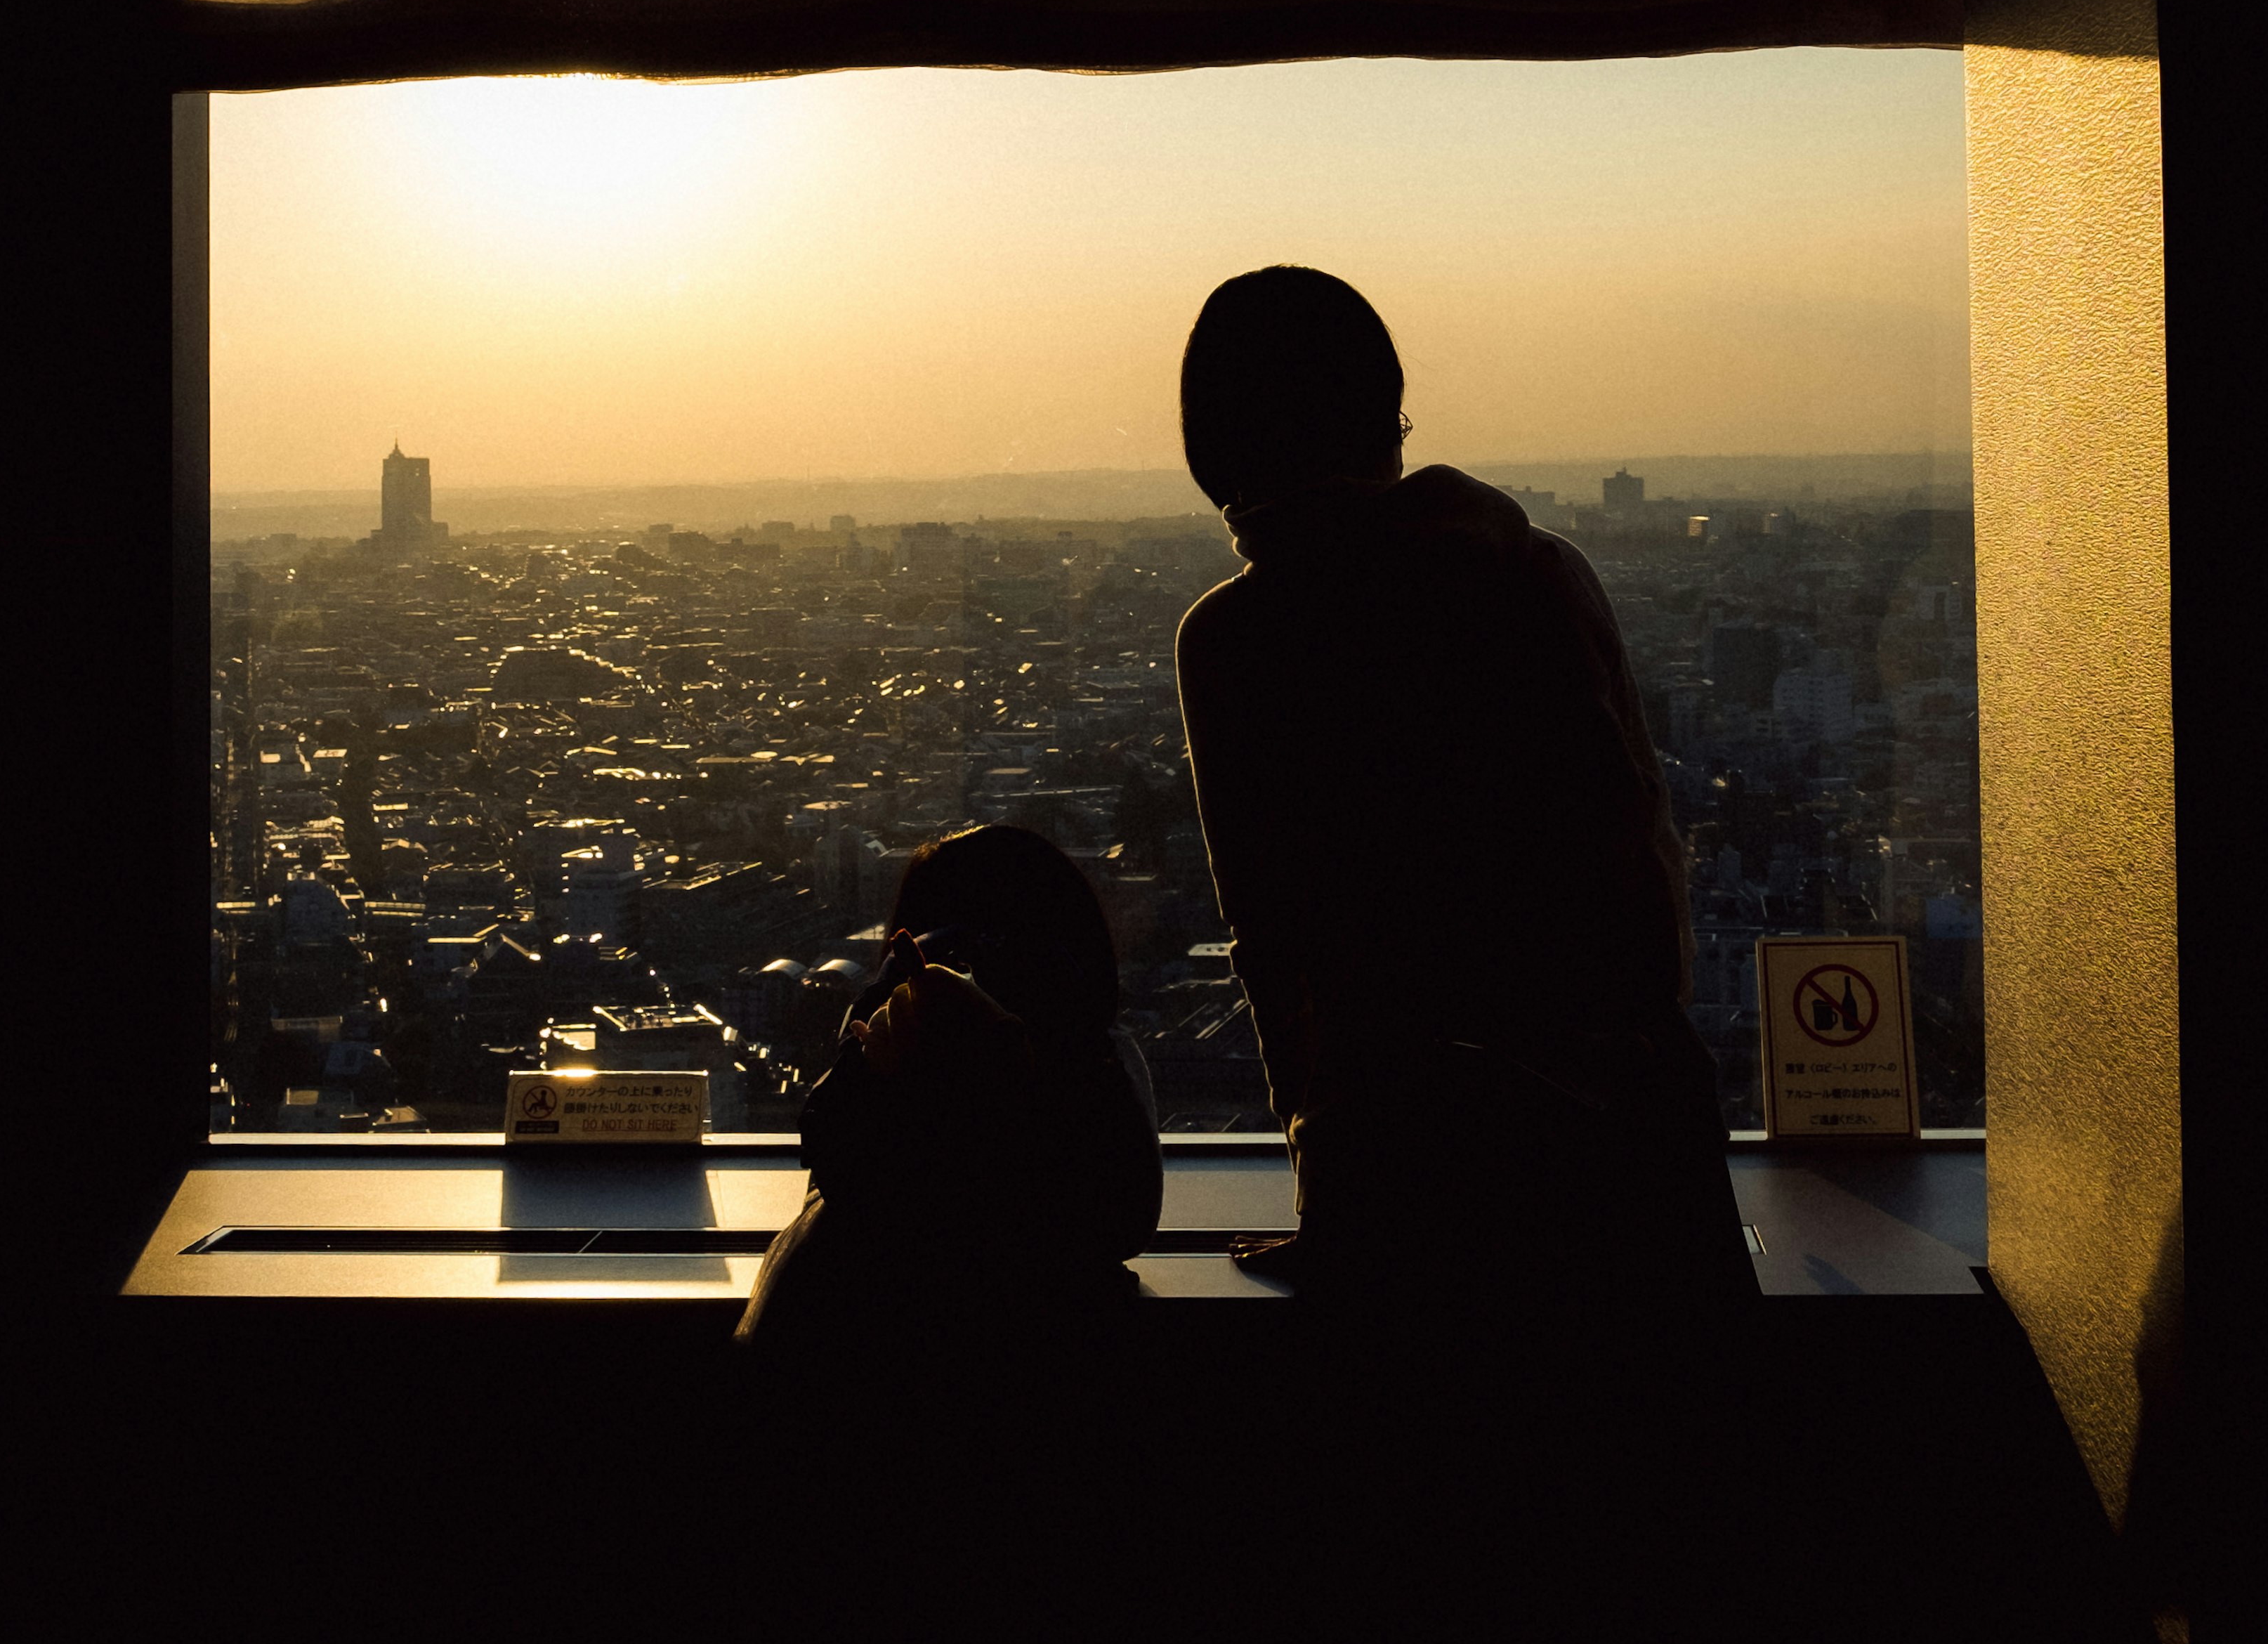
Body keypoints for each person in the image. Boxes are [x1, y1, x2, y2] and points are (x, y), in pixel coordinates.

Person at [1172, 264, 1753, 1340]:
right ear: (1385, 422)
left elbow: (1280, 944)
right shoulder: (1539, 572)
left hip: (1414, 1166)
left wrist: (1329, 1181)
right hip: (1630, 1132)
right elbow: (1643, 868)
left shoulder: (1241, 639)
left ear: (1217, 452)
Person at [735, 822, 1163, 1386]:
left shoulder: (885, 1038)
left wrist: (880, 1009)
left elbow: (834, 1162)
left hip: (833, 1345)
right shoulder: (1094, 1057)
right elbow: (1126, 1221)